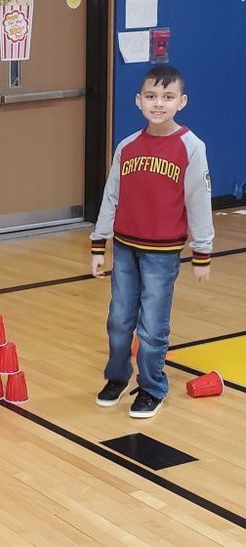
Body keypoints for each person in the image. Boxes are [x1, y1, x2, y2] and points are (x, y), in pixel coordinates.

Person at [91, 64, 214, 418]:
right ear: (138, 101)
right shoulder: (127, 147)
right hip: (125, 248)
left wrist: (202, 251)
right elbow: (111, 196)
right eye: (151, 96)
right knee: (118, 320)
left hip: (162, 253)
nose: (158, 103)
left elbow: (199, 200)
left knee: (152, 326)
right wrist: (99, 243)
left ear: (181, 102)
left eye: (167, 97)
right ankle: (117, 378)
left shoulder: (191, 147)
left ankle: (152, 387)